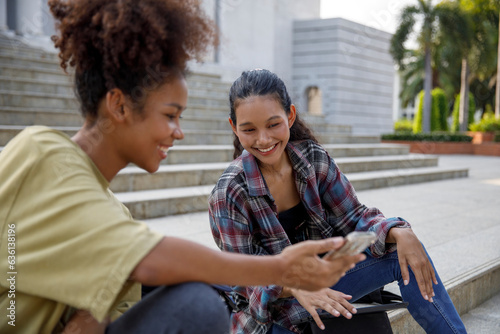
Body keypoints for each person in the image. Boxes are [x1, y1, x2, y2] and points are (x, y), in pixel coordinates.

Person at [0, 2, 365, 334]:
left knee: (197, 291)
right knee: (195, 302)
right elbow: (151, 259)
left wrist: (89, 314)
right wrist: (279, 269)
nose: (179, 132)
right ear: (119, 106)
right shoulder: (41, 151)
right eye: (170, 115)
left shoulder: (112, 213)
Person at [208, 69, 467, 334]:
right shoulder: (229, 192)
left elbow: (354, 218)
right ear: (234, 127)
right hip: (274, 307)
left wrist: (398, 230)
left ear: (290, 116)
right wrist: (294, 285)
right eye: (249, 129)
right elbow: (244, 275)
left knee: (406, 252)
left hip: (326, 279)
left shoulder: (313, 159)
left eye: (274, 124)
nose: (263, 139)